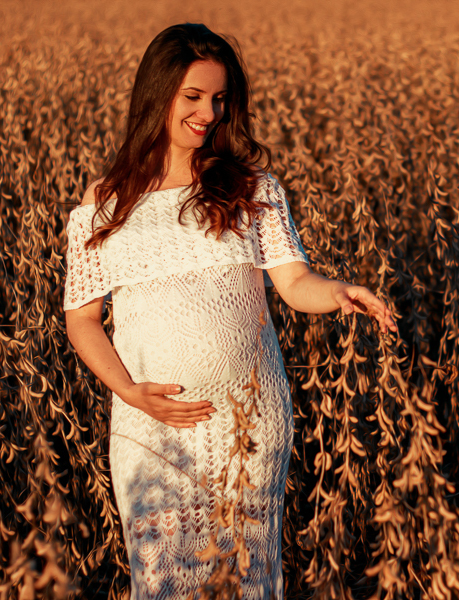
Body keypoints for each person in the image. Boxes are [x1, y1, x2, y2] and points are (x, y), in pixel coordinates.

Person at [63, 23, 396, 600]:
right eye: (192, 97)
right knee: (163, 583)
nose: (208, 113)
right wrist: (129, 390)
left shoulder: (251, 188)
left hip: (249, 423)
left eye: (219, 99)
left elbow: (294, 283)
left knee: (246, 581)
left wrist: (339, 293)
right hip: (152, 427)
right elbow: (82, 319)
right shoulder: (106, 203)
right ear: (156, 95)